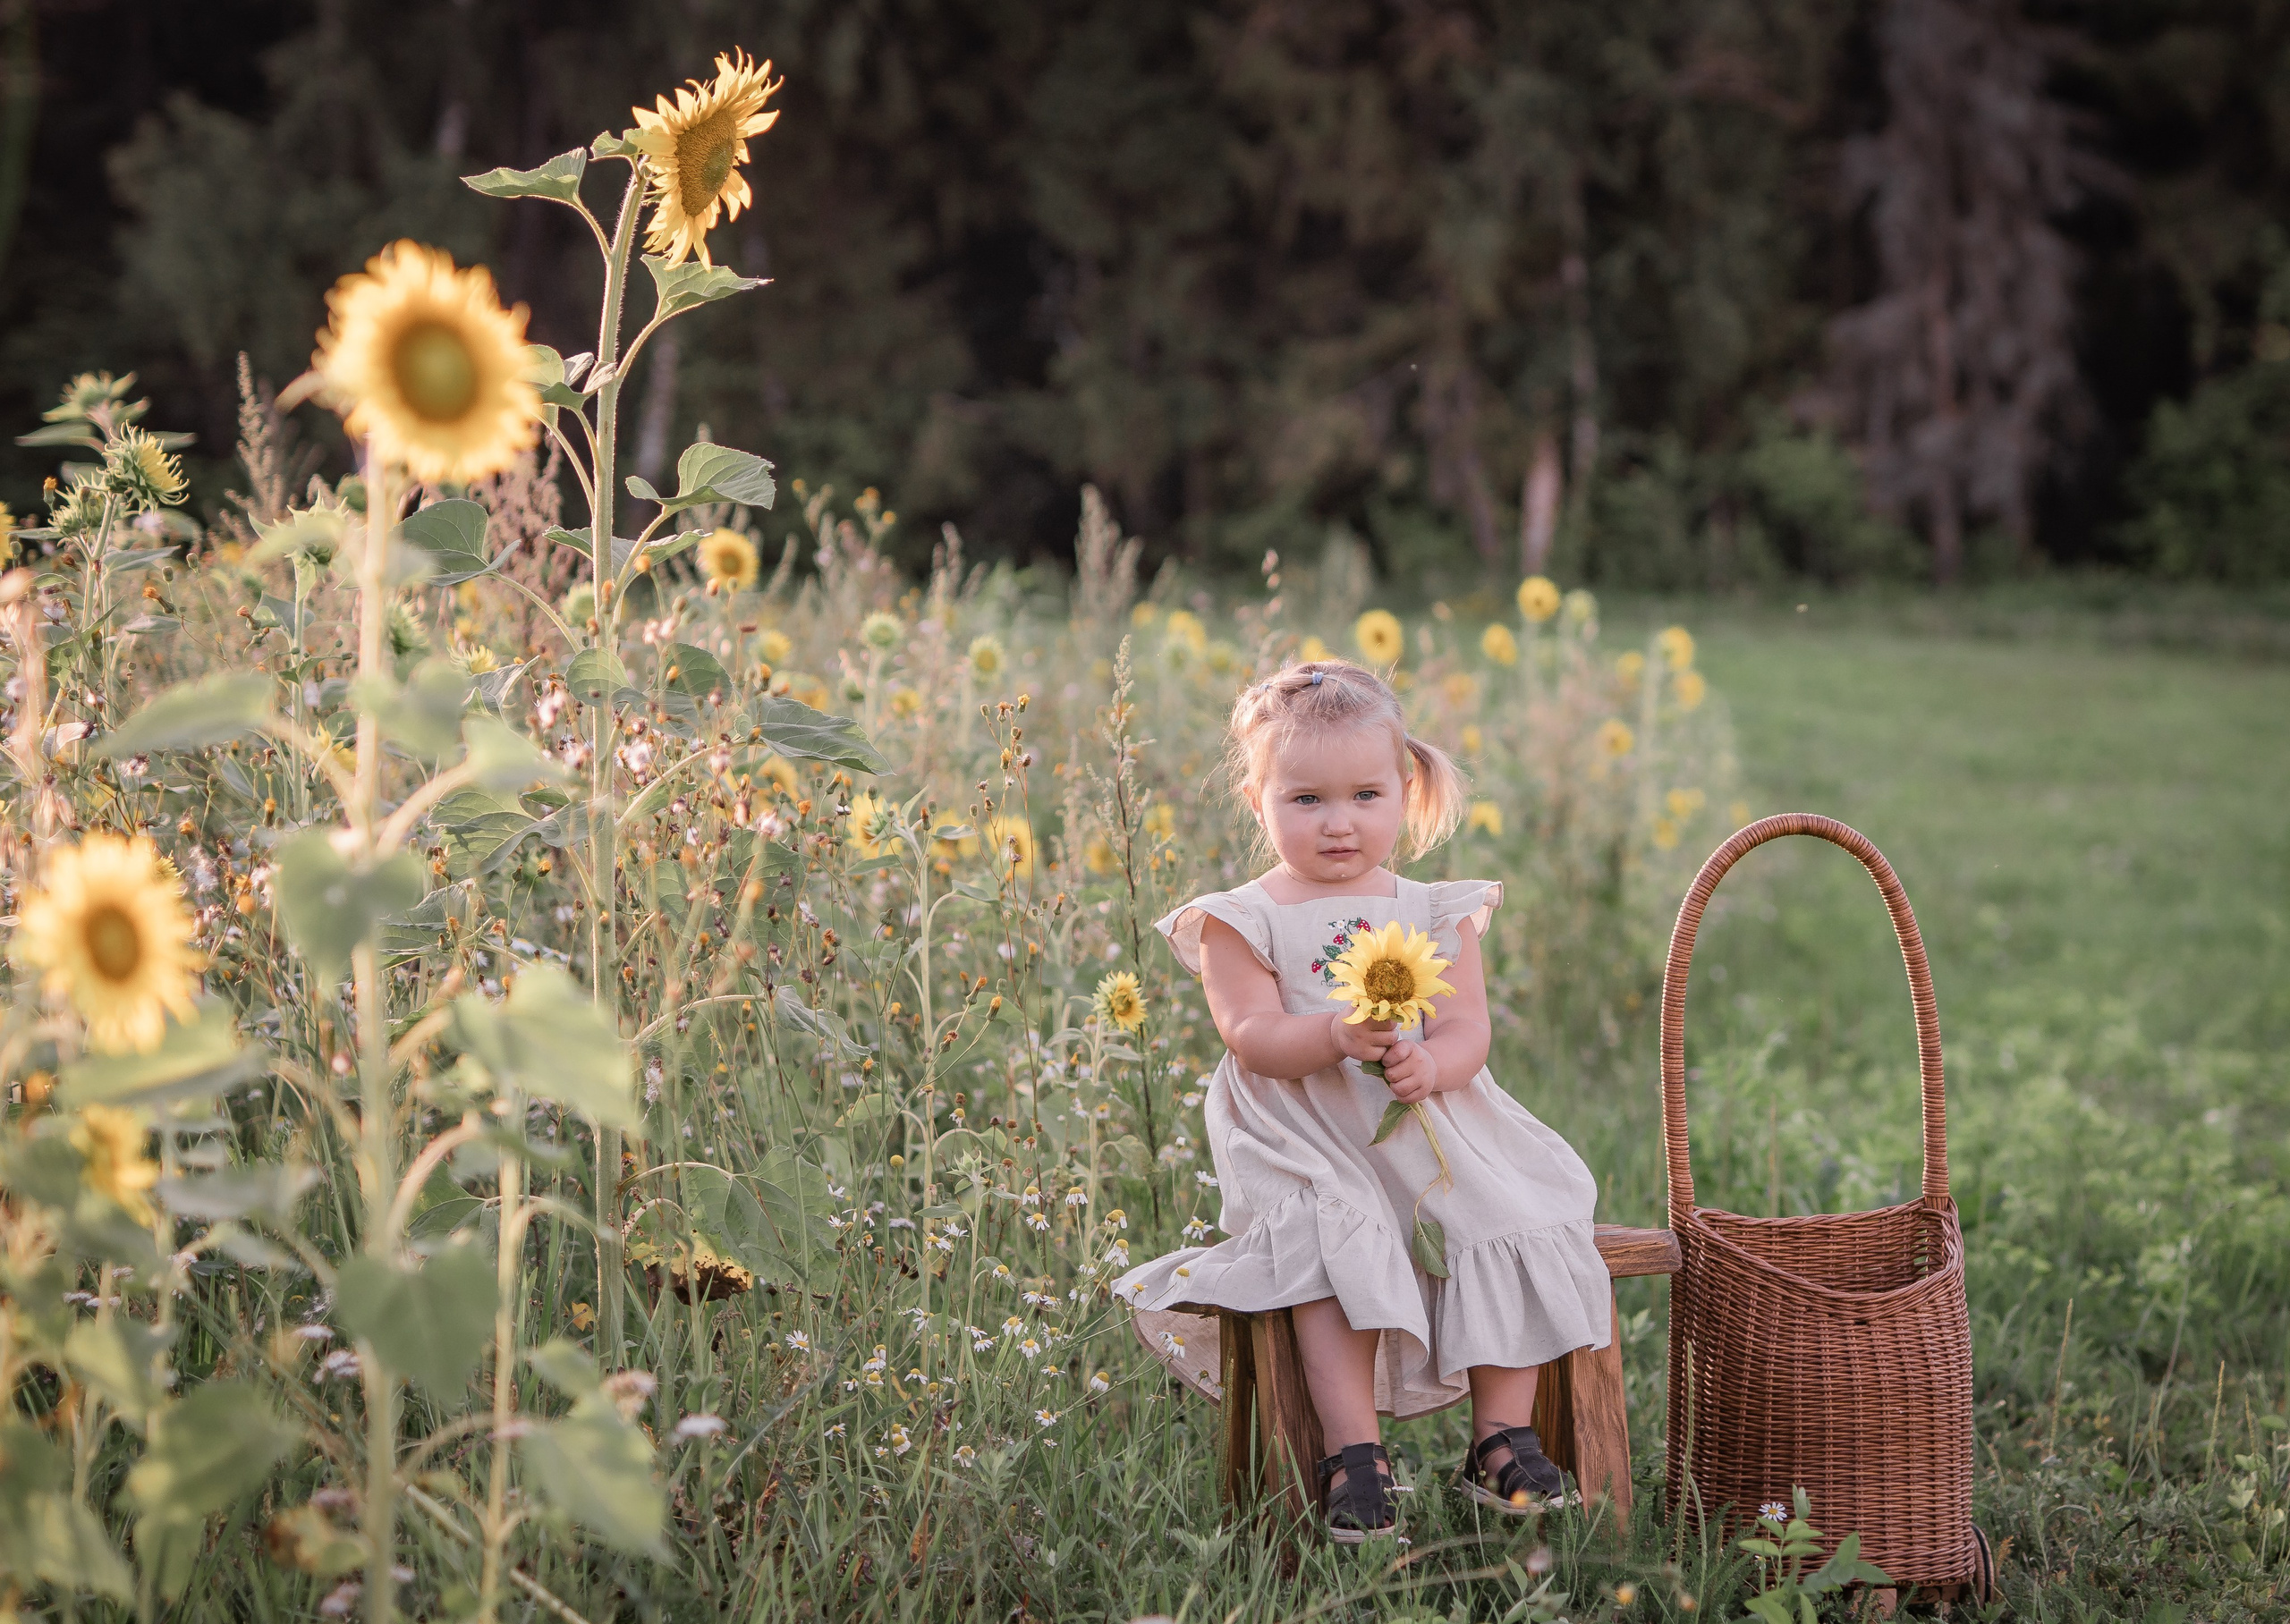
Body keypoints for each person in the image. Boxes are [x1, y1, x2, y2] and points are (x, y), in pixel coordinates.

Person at [1113, 659, 1610, 1544]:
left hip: (1426, 1124)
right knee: (1329, 1236)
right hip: (1300, 1134)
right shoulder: (1238, 917)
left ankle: (1498, 1436)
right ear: (1255, 795)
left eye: (1364, 794)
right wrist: (1334, 1036)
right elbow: (1251, 1034)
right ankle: (1356, 1456)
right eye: (1305, 799)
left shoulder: (1432, 909)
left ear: (1404, 787)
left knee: (1511, 1209)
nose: (1338, 822)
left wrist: (1434, 1065)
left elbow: (1467, 1028)